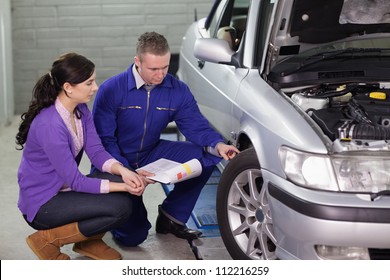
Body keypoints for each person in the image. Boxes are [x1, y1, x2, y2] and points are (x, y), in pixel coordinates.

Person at [91, 31, 239, 247]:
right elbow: (103, 140)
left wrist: (218, 145)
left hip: (151, 152)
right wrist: (126, 171)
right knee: (133, 237)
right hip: (116, 162)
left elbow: (194, 125)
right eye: (153, 69)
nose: (160, 75)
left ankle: (172, 217)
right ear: (137, 62)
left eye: (165, 67)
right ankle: (113, 212)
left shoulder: (176, 90)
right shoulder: (112, 90)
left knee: (204, 157)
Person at [15, 52, 151, 260]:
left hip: (64, 189)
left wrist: (124, 172)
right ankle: (47, 240)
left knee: (121, 181)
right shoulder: (50, 125)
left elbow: (96, 152)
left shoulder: (80, 109)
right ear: (68, 87)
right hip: (43, 203)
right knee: (121, 206)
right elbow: (77, 181)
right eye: (89, 83)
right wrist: (125, 186)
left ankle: (88, 241)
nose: (95, 87)